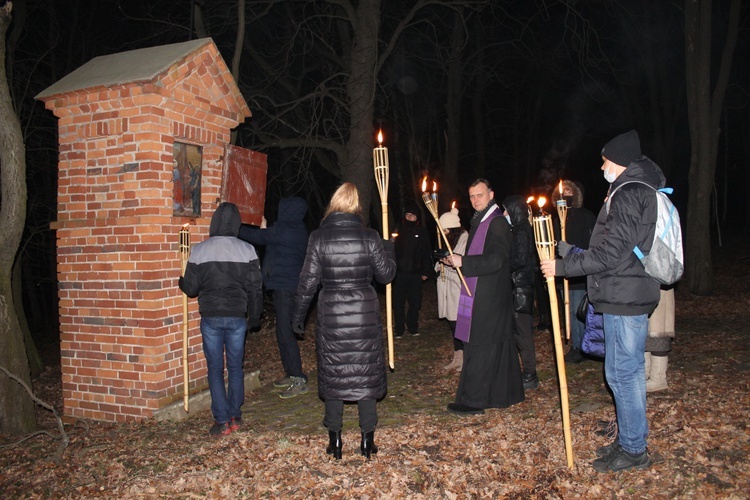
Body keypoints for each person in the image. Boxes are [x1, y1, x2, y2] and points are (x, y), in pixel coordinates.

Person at [541, 130, 662, 473]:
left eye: (606, 159)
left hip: (625, 295)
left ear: (620, 161)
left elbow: (611, 253)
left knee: (624, 374)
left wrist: (564, 266)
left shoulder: (629, 193)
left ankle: (634, 450)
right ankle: (629, 440)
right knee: (622, 372)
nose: (602, 164)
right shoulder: (636, 190)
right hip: (622, 293)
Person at [292, 182, 396, 460]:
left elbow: (308, 282)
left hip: (332, 314)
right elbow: (386, 275)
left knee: (335, 374)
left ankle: (335, 441)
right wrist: (388, 249)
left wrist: (298, 316)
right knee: (365, 373)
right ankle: (367, 441)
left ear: (333, 204)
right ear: (356, 206)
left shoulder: (318, 237)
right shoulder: (369, 235)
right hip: (363, 313)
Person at [179, 202, 263, 437]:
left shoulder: (199, 250)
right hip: (237, 317)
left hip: (211, 317)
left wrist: (181, 280)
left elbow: (192, 288)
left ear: (215, 221)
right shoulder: (247, 250)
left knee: (215, 368)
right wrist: (255, 316)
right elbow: (256, 288)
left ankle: (222, 420)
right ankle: (235, 415)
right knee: (235, 366)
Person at [442, 179, 525, 415]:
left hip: (489, 295)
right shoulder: (480, 221)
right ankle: (505, 394)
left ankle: (474, 401)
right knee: (497, 345)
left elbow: (498, 260)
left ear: (491, 194)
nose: (475, 200)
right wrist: (456, 260)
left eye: (479, 195)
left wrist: (464, 262)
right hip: (484, 291)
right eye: (472, 196)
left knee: (480, 346)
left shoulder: (496, 223)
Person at [238, 197, 310, 399]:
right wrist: (264, 229)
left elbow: (257, 237)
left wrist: (232, 226)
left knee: (286, 334)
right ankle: (291, 372)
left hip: (287, 289)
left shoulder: (286, 230)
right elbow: (269, 239)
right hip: (286, 288)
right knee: (282, 333)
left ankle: (298, 377)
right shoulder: (295, 229)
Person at [551, 180, 597, 363]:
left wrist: (575, 251)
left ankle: (582, 346)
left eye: (569, 191)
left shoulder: (586, 216)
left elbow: (592, 243)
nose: (565, 194)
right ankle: (577, 345)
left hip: (580, 272)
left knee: (579, 311)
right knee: (568, 311)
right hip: (564, 272)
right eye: (562, 192)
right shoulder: (557, 218)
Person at [502, 195, 539, 390]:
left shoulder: (522, 230)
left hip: (520, 287)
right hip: (516, 286)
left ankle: (530, 374)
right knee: (516, 331)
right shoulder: (516, 229)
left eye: (507, 210)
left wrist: (502, 267)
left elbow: (521, 259)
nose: (504, 214)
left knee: (523, 332)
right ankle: (520, 371)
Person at [434, 207, 469, 371]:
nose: (444, 232)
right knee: (452, 322)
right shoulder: (450, 238)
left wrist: (448, 261)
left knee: (460, 322)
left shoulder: (464, 239)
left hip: (458, 286)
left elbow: (460, 260)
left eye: (446, 229)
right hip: (447, 285)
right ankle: (458, 356)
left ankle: (466, 357)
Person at [392, 201, 433, 337]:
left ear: (417, 218)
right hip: (399, 273)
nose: (410, 217)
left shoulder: (421, 232)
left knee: (415, 302)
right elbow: (390, 249)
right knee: (398, 303)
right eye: (408, 215)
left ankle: (413, 327)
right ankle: (399, 329)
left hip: (415, 273)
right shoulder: (398, 230)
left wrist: (426, 271)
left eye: (413, 215)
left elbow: (426, 252)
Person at [646, 287, 675, 392]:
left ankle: (658, 379)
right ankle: (644, 374)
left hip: (660, 288)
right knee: (644, 332)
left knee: (659, 331)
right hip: (644, 289)